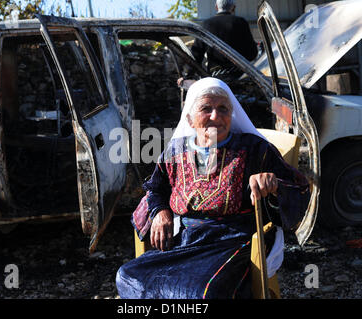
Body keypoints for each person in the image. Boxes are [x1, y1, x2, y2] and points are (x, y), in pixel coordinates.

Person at [116, 77, 310, 299]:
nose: (215, 116)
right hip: (186, 240)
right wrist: (159, 212)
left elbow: (299, 186)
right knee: (128, 275)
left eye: (223, 109)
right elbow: (156, 188)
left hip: (234, 241)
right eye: (206, 109)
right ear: (189, 119)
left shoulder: (255, 149)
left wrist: (273, 185)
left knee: (204, 292)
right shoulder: (176, 151)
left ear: (231, 115)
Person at [191, 0, 258, 74]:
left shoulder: (206, 24)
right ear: (233, 8)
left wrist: (188, 75)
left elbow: (196, 54)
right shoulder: (241, 22)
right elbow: (252, 53)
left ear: (216, 7)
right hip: (240, 76)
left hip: (216, 77)